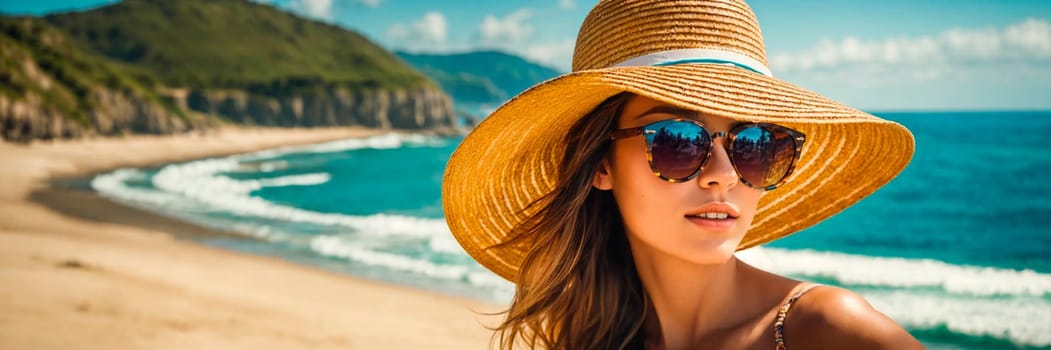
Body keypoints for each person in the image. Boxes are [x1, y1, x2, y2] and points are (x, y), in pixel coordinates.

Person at [442, 0, 924, 349]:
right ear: (600, 163)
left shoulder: (827, 332)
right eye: (678, 140)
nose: (724, 176)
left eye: (754, 145)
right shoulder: (592, 339)